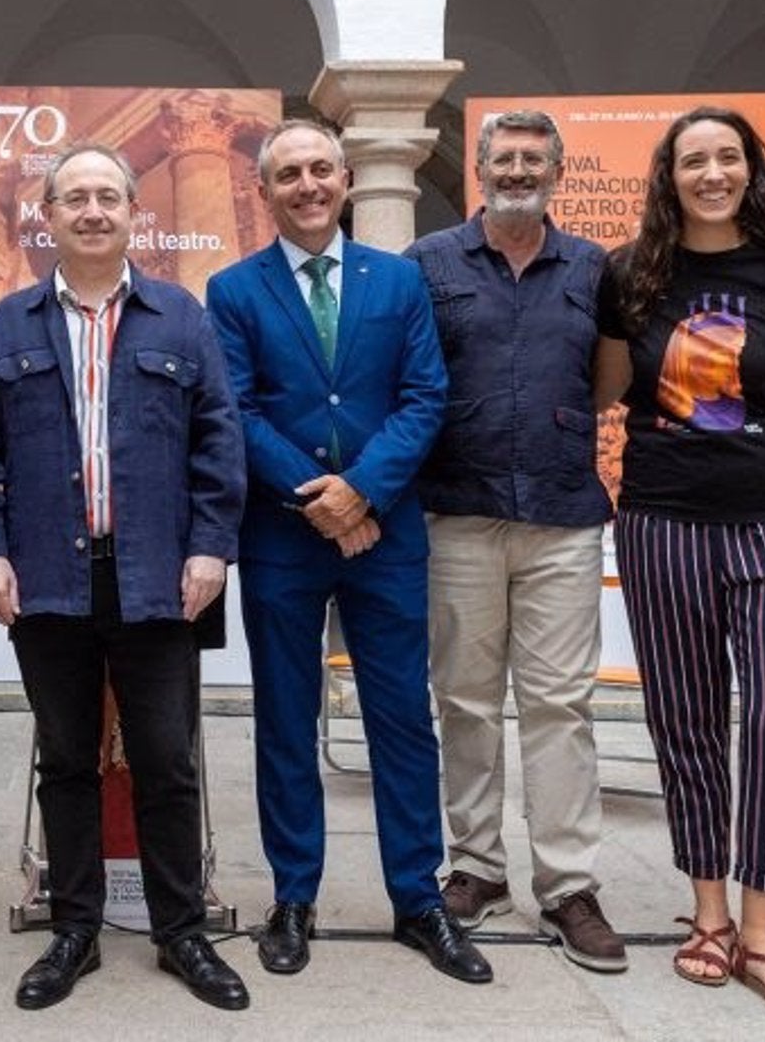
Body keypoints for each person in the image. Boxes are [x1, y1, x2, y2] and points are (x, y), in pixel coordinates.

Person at [0, 144, 250, 1012]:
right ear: (47, 216)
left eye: (107, 197)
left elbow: (217, 440)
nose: (90, 210)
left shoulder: (180, 317)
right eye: (73, 197)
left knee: (167, 760)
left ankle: (181, 929)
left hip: (159, 575)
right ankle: (72, 926)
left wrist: (211, 547)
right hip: (46, 576)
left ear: (132, 214)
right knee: (68, 759)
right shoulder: (7, 324)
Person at [207, 118, 490, 985]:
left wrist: (362, 490)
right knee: (288, 719)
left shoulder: (398, 281)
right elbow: (238, 409)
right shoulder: (233, 289)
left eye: (321, 169)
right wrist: (321, 500)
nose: (307, 185)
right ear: (265, 190)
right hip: (284, 538)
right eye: (288, 173)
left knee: (401, 717)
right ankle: (294, 897)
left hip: (388, 531)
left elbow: (424, 395)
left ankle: (418, 898)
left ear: (346, 180)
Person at [593, 105, 765, 1026]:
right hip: (664, 521)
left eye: (727, 156)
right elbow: (607, 389)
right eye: (693, 159)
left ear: (752, 169)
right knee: (687, 718)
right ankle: (708, 915)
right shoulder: (632, 273)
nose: (711, 172)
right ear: (668, 174)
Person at [404, 109, 625, 972]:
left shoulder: (592, 267)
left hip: (564, 516)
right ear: (481, 170)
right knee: (462, 698)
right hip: (457, 511)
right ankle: (478, 867)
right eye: (505, 156)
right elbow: (412, 371)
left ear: (557, 171)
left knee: (559, 705)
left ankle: (568, 884)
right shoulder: (431, 263)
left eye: (536, 157)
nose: (519, 168)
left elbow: (609, 379)